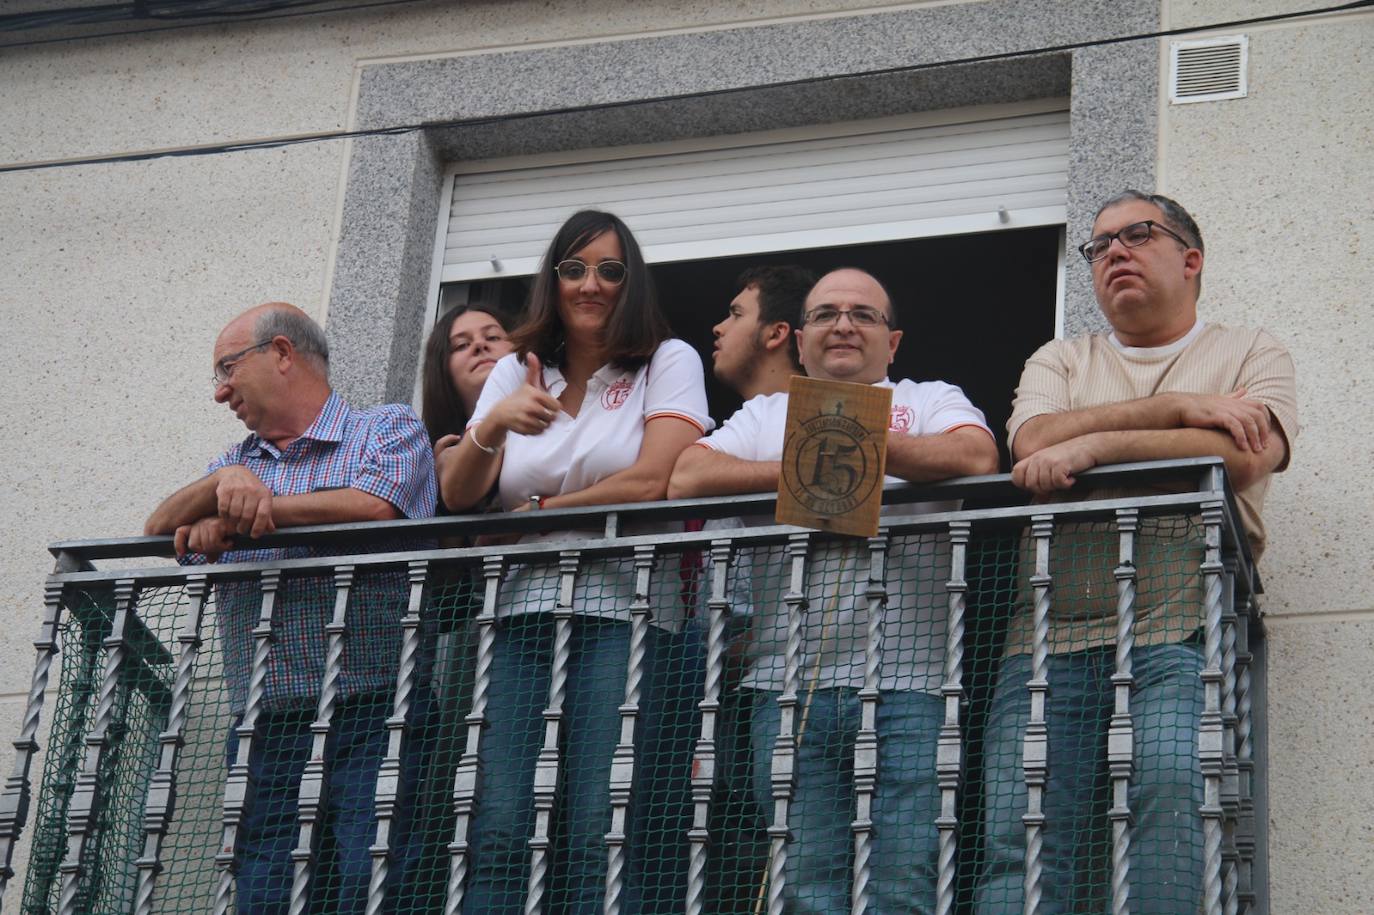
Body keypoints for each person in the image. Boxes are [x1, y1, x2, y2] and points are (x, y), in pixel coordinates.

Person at [974, 191, 1298, 914]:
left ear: (1191, 259)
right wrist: (1177, 410)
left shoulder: (1251, 349)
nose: (1113, 251)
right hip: (1043, 644)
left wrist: (1094, 445)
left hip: (1183, 635)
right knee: (1019, 843)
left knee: (1170, 816)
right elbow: (1031, 443)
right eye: (1098, 245)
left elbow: (1243, 459)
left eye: (1136, 234)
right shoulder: (1058, 356)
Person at [669, 268, 999, 913]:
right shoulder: (768, 410)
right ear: (800, 338)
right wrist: (804, 462)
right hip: (782, 687)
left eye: (862, 314)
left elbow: (976, 458)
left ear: (892, 340)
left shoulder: (930, 397)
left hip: (914, 684)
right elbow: (686, 474)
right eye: (825, 314)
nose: (843, 325)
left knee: (903, 883)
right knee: (806, 886)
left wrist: (847, 445)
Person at [436, 210, 713, 913]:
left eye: (610, 270)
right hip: (517, 616)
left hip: (629, 615)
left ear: (631, 282)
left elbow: (656, 478)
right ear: (552, 280)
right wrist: (495, 422)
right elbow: (459, 491)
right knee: (498, 823)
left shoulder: (666, 359)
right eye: (574, 269)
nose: (591, 284)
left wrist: (534, 516)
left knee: (601, 824)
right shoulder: (515, 368)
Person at [144, 302, 438, 912]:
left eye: (228, 368)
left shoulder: (385, 427)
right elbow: (156, 529)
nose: (221, 392)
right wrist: (220, 489)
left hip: (376, 703)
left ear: (281, 353)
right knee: (264, 893)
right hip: (266, 722)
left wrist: (255, 509)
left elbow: (377, 507)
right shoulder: (233, 465)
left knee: (372, 881)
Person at [420, 301, 517, 469]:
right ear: (443, 370)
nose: (480, 345)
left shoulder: (561, 418)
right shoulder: (426, 459)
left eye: (493, 337)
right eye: (462, 345)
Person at [711, 264, 816, 400]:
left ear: (775, 334)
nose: (718, 328)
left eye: (737, 315)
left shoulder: (801, 418)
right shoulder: (746, 420)